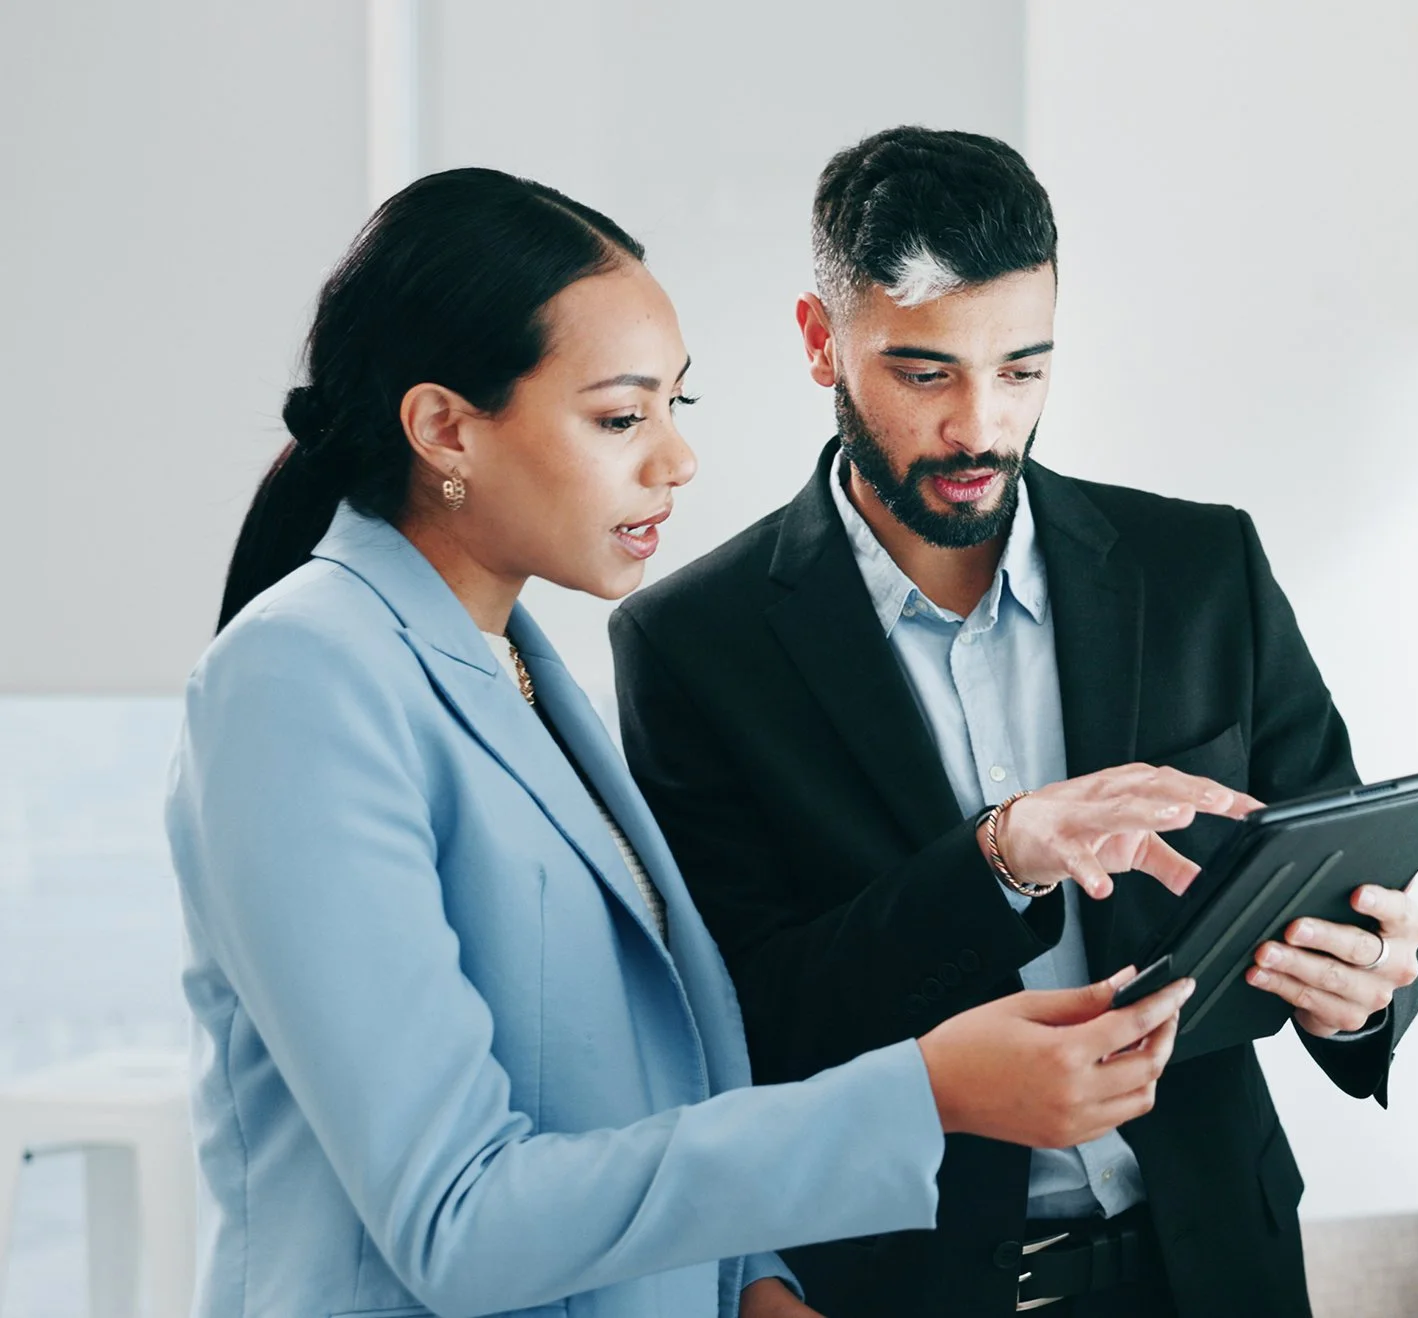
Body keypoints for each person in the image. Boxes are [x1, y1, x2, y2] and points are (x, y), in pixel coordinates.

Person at [168, 166, 1234, 1318]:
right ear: (442, 428)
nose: (675, 461)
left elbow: (643, 1082)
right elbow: (455, 1214)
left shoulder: (519, 667)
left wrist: (752, 1284)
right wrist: (923, 1096)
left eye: (679, 407)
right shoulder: (302, 676)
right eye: (621, 416)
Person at [610, 128, 1418, 1317]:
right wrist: (993, 857)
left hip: (1212, 1269)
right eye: (925, 372)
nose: (979, 428)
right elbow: (744, 1020)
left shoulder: (1203, 569)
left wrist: (1375, 983)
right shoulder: (691, 647)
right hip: (898, 1288)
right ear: (817, 341)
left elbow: (1339, 878)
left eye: (1023, 370)